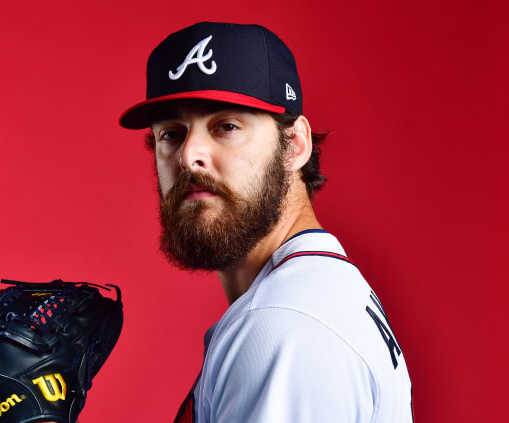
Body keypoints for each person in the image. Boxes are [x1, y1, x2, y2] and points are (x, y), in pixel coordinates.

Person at [119, 22, 413, 422]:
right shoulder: (313, 290)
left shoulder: (286, 327)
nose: (189, 156)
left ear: (294, 145)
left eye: (226, 126)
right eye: (171, 134)